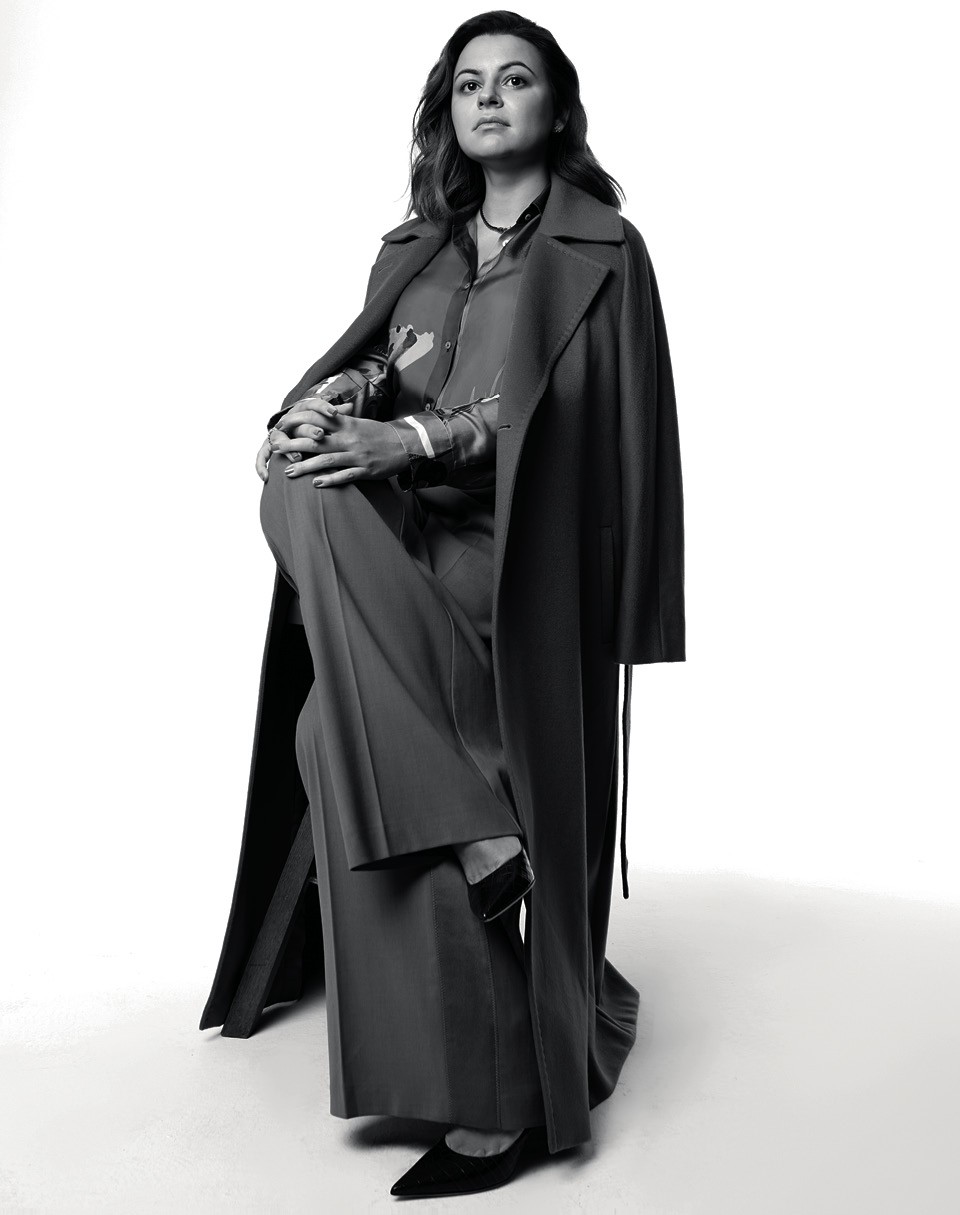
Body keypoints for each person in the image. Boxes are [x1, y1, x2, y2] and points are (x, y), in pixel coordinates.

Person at [203, 10, 685, 1201]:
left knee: (332, 736)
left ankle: (492, 1088)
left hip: (519, 555)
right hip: (406, 544)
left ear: (556, 109)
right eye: (470, 83)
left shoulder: (602, 249)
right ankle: (476, 842)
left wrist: (409, 440)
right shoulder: (416, 250)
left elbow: (561, 415)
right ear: (447, 110)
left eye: (516, 79)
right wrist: (324, 407)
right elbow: (383, 362)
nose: (490, 98)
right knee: (295, 481)